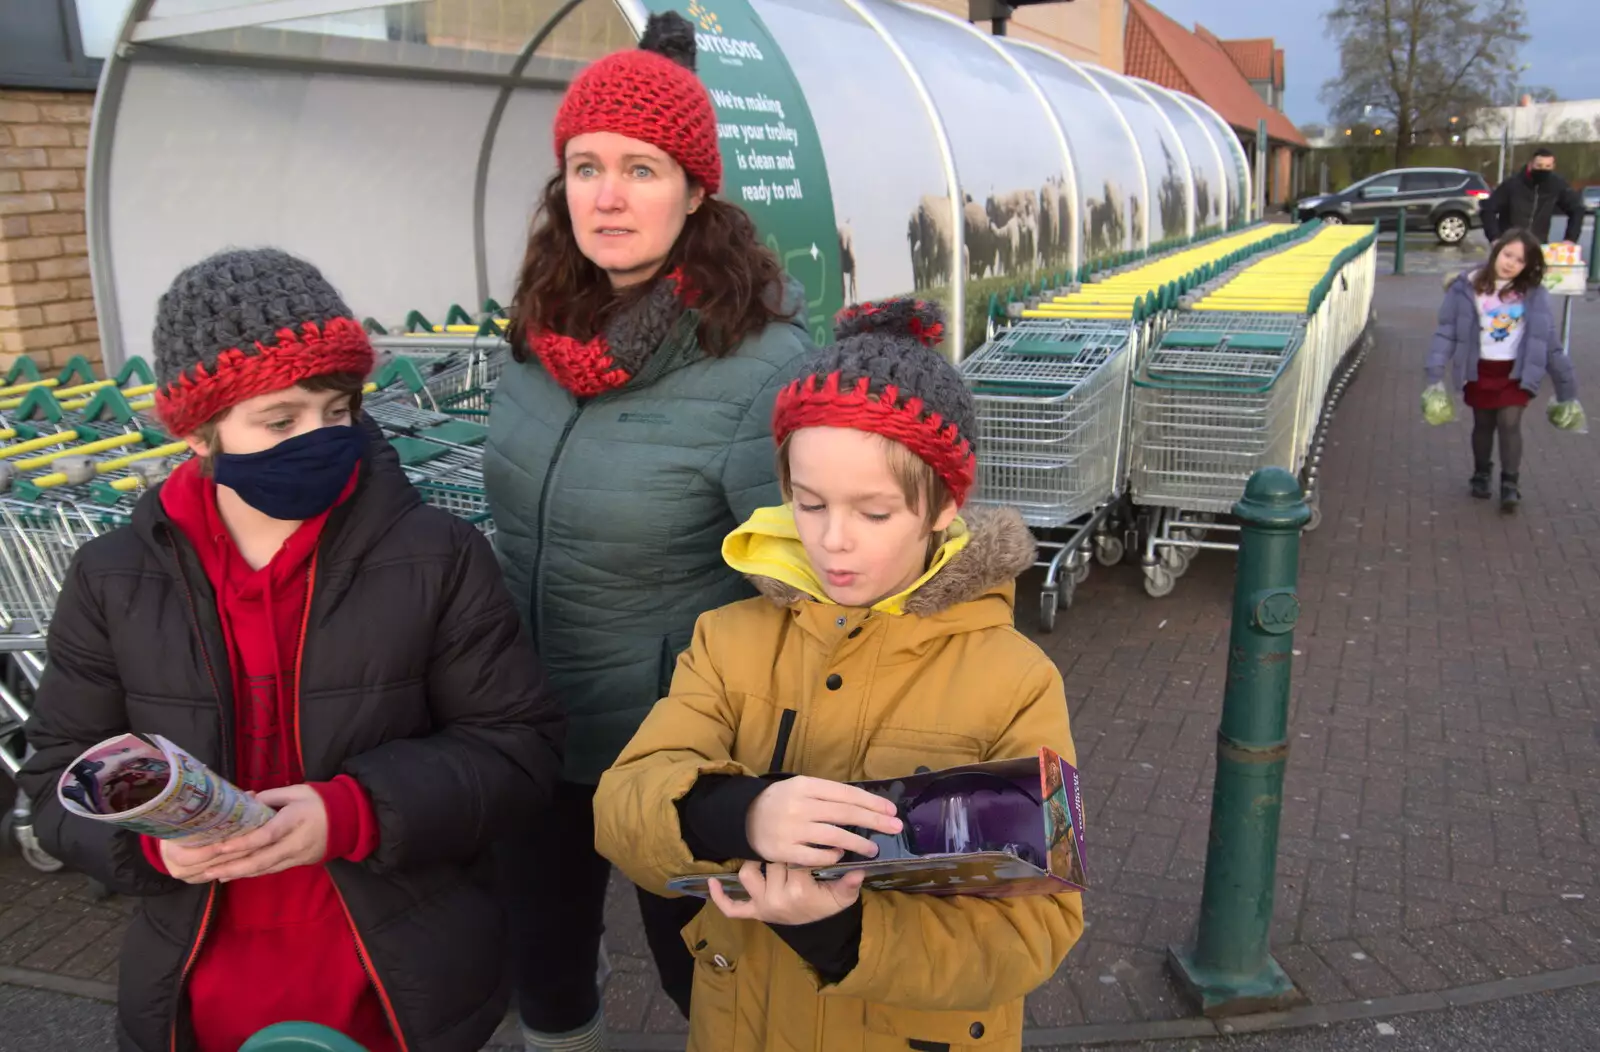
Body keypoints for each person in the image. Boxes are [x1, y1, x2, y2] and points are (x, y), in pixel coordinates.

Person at [18, 248, 564, 1052]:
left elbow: (518, 749)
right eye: (281, 420)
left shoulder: (436, 555)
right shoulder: (113, 578)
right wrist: (149, 847)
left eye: (338, 409)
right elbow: (57, 778)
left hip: (394, 977)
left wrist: (357, 810)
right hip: (200, 986)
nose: (321, 437)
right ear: (202, 431)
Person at [592, 298, 1085, 1052]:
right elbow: (622, 806)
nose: (833, 541)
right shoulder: (728, 641)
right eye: (809, 503)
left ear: (945, 506)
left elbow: (1041, 922)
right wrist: (738, 813)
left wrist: (846, 933)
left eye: (875, 513)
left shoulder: (1017, 680)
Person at [481, 11, 816, 1050]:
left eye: (642, 167)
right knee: (542, 965)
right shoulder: (537, 334)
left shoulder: (758, 366)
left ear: (697, 190)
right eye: (585, 167)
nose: (609, 195)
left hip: (673, 755)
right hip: (531, 733)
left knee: (702, 977)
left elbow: (806, 596)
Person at [1426, 228, 1577, 512]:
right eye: (1508, 255)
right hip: (1480, 370)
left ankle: (1510, 484)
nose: (1510, 263)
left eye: (1519, 260)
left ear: (1528, 266)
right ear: (1496, 251)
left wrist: (1566, 389)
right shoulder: (1466, 287)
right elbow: (1446, 332)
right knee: (1483, 424)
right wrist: (1435, 373)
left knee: (1509, 423)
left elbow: (1549, 343)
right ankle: (1481, 474)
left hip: (1516, 373)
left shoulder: (1533, 295)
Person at [1482, 147, 1589, 246]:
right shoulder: (1512, 184)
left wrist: (1570, 239)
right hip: (1510, 244)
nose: (1543, 169)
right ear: (1530, 165)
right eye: (1539, 165)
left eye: (1548, 166)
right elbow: (1488, 209)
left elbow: (1577, 208)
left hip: (1538, 245)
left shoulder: (1556, 185)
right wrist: (1495, 238)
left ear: (1553, 166)